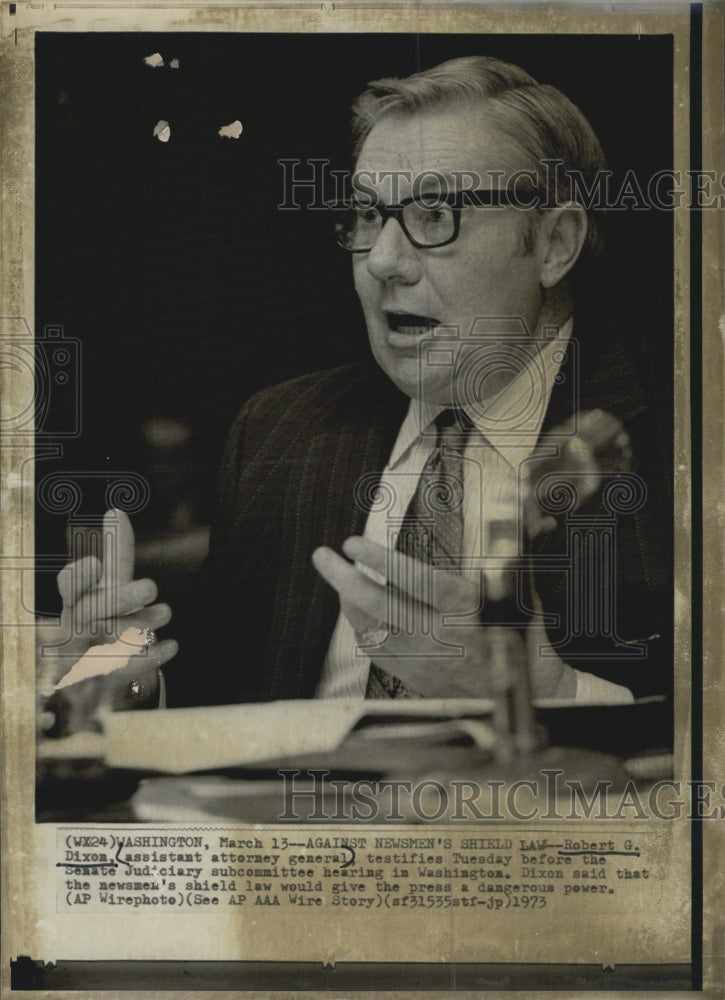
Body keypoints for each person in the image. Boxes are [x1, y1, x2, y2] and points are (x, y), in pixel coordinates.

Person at [39, 56, 672, 724]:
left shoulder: (682, 429)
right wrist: (123, 681)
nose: (381, 261)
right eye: (367, 217)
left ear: (552, 244)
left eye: (435, 213)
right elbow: (220, 706)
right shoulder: (281, 431)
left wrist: (542, 693)